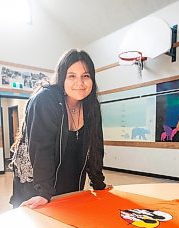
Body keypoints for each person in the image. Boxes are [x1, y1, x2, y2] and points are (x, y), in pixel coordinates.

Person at [9, 49, 108, 209]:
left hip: (70, 184)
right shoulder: (45, 100)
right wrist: (44, 193)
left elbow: (95, 145)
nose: (80, 83)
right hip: (36, 186)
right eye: (72, 76)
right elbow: (42, 149)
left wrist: (98, 183)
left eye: (86, 76)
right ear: (62, 78)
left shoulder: (91, 105)